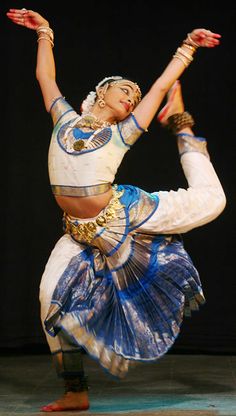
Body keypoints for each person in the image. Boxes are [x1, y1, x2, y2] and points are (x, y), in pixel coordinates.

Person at [6, 8, 226, 413]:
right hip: (80, 231)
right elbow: (46, 78)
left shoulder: (122, 133)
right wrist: (45, 32)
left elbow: (160, 84)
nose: (131, 96)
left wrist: (188, 48)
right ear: (102, 92)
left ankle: (181, 126)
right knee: (46, 298)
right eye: (125, 89)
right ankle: (75, 390)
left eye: (135, 97)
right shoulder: (64, 119)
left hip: (126, 213)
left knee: (213, 202)